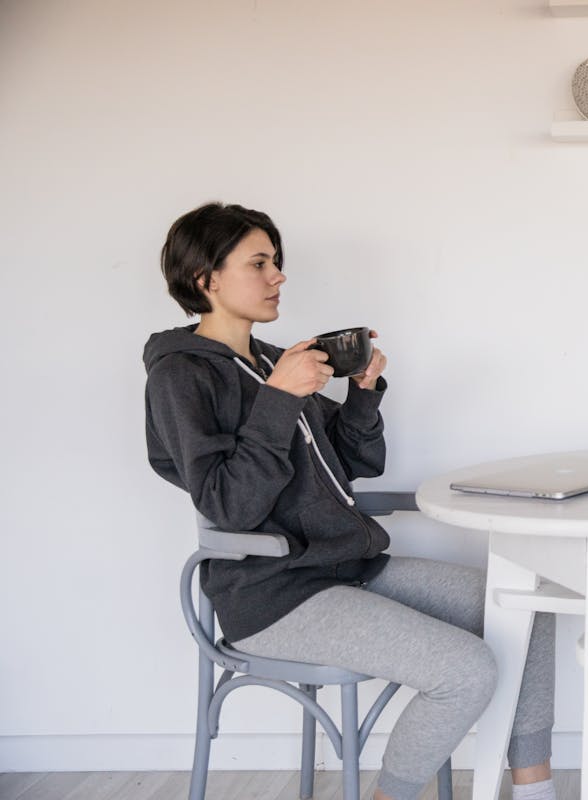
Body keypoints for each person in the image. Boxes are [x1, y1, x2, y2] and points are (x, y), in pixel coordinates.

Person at [144, 203, 557, 800]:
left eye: (277, 263)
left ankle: (533, 789)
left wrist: (362, 394)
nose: (278, 276)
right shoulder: (181, 376)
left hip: (349, 568)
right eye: (258, 263)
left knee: (531, 611)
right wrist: (280, 398)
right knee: (466, 669)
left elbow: (353, 463)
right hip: (274, 594)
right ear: (207, 279)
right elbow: (228, 503)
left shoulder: (269, 361)